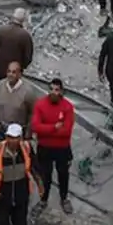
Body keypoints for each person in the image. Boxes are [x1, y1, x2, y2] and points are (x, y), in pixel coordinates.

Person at [0, 123, 43, 225]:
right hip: (2, 195)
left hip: (21, 194)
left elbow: (35, 167)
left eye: (15, 138)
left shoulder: (27, 149)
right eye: (10, 137)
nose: (12, 141)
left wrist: (40, 185)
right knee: (2, 224)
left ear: (20, 138)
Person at [31, 78, 76, 214]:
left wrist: (46, 130)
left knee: (63, 175)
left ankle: (64, 199)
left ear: (61, 92)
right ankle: (43, 200)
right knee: (45, 175)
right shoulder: (40, 105)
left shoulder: (68, 107)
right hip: (44, 148)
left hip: (62, 148)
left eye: (56, 90)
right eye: (51, 89)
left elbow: (66, 131)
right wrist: (54, 127)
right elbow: (35, 127)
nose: (53, 92)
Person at [0, 8, 34, 81]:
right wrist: (21, 68)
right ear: (24, 20)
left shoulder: (0, 30)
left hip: (0, 68)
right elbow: (27, 57)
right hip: (15, 71)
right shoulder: (26, 36)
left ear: (13, 16)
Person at [0, 61, 36, 135]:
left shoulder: (28, 91)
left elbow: (33, 113)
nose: (10, 74)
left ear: (20, 74)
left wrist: (28, 132)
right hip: (1, 128)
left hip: (18, 132)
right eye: (9, 71)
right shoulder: (1, 85)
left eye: (14, 72)